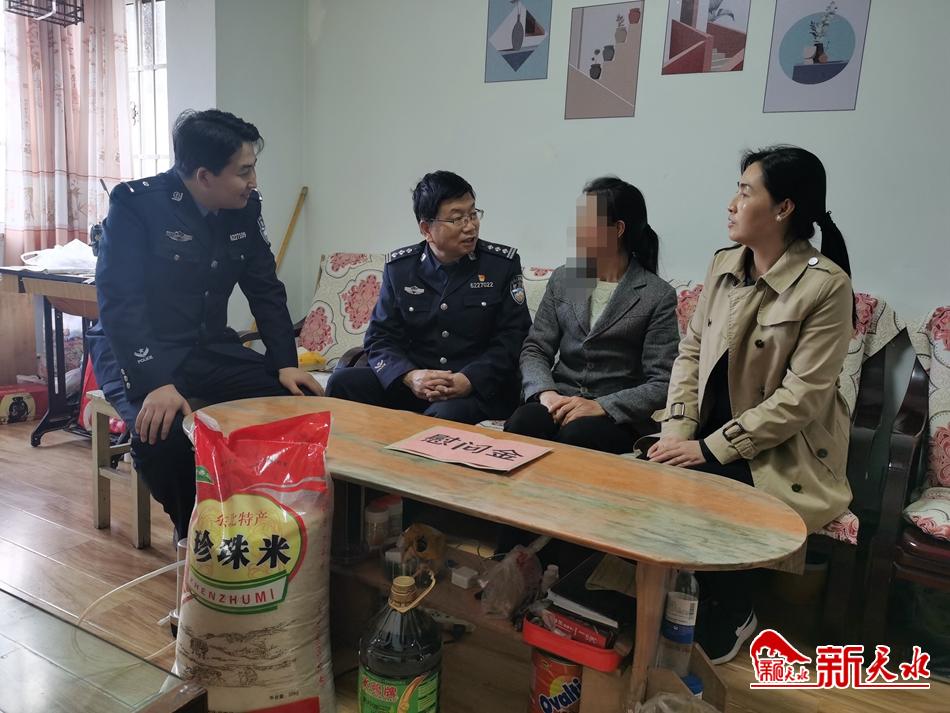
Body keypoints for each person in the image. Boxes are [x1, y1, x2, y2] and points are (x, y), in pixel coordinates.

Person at [647, 145, 855, 664]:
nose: (731, 204)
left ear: (783, 208)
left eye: (745, 192)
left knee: (717, 485)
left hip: (783, 447)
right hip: (709, 427)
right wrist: (678, 430)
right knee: (647, 473)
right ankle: (666, 594)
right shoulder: (724, 264)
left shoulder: (826, 286)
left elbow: (801, 399)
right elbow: (690, 354)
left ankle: (736, 611)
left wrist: (710, 449)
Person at [88, 109, 320, 538]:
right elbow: (120, 302)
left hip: (207, 346)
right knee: (160, 436)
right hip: (139, 351)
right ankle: (196, 538)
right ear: (204, 176)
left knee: (294, 403)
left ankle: (268, 525)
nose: (254, 182)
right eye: (244, 171)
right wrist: (156, 382)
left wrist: (285, 362)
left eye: (253, 168)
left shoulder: (244, 209)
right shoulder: (137, 205)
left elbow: (265, 288)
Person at [325, 170, 531, 424]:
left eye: (473, 214)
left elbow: (514, 337)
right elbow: (380, 338)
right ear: (426, 229)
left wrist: (469, 379)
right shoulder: (401, 269)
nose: (470, 226)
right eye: (457, 219)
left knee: (442, 417)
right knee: (342, 383)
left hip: (475, 389)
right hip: (417, 385)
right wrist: (409, 376)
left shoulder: (500, 265)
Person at [504, 177, 679, 453]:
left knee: (577, 435)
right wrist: (546, 393)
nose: (576, 230)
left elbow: (662, 381)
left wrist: (601, 406)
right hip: (559, 399)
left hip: (614, 416)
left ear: (617, 229)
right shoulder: (568, 278)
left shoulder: (655, 294)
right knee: (524, 422)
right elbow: (536, 349)